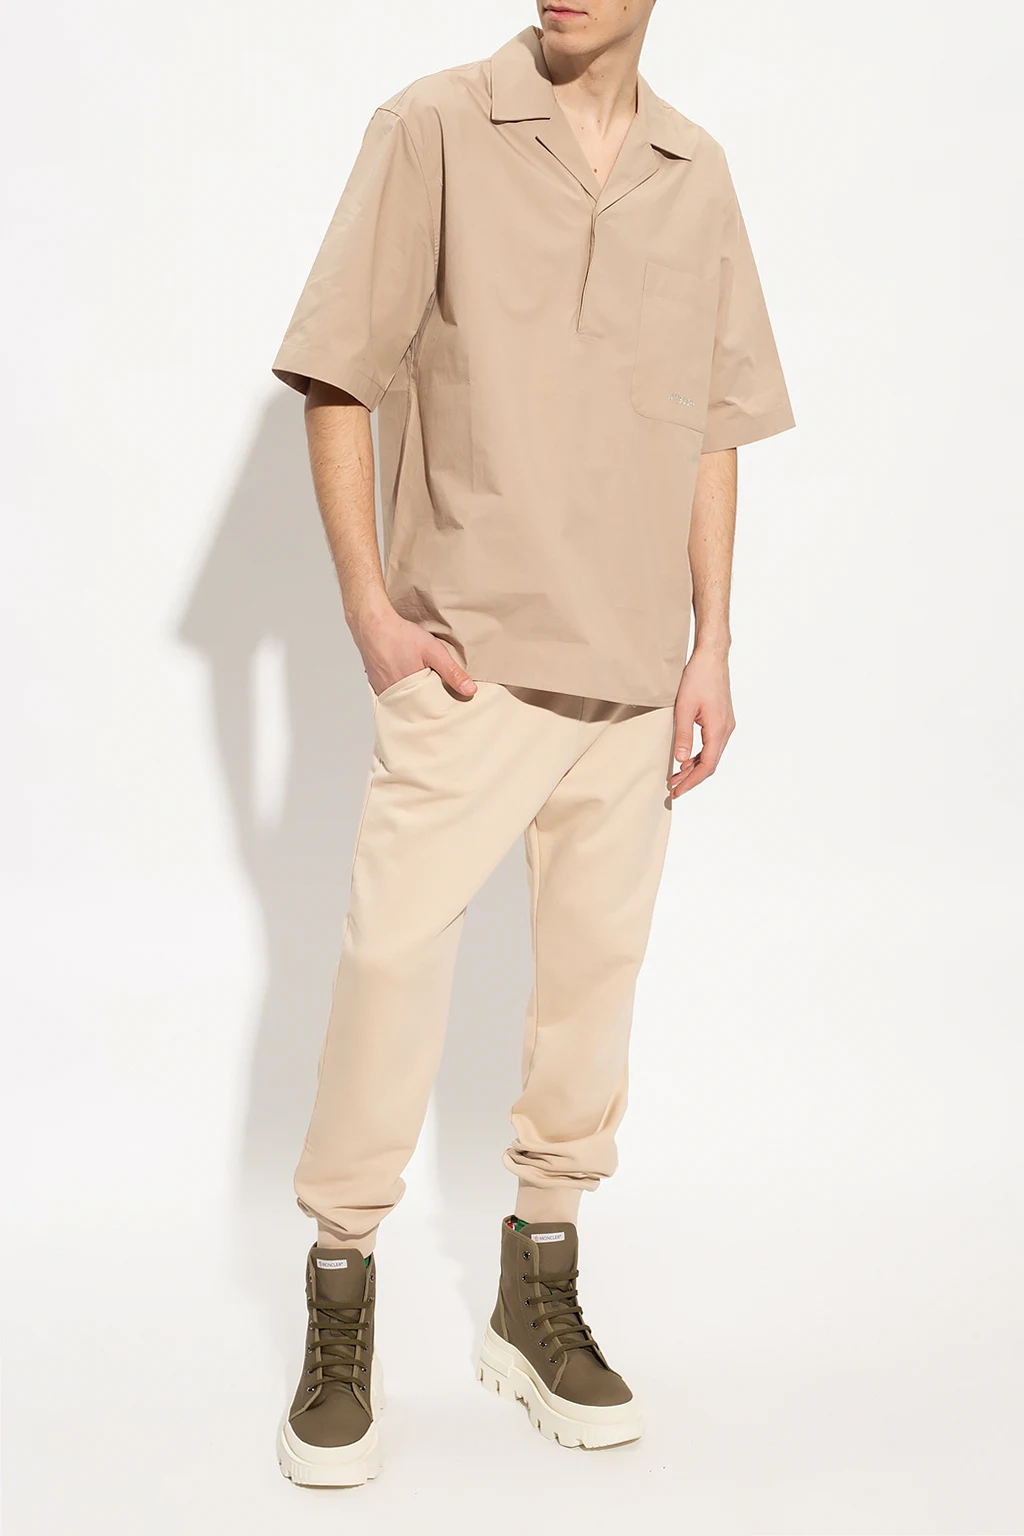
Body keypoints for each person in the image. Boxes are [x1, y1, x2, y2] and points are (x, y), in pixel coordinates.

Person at [271, 1, 793, 1486]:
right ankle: (340, 1291)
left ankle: (535, 1290)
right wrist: (372, 612)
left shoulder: (696, 169)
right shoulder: (434, 127)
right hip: (470, 665)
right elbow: (337, 372)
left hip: (631, 677)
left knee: (590, 997)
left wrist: (712, 642)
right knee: (388, 969)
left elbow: (714, 421)